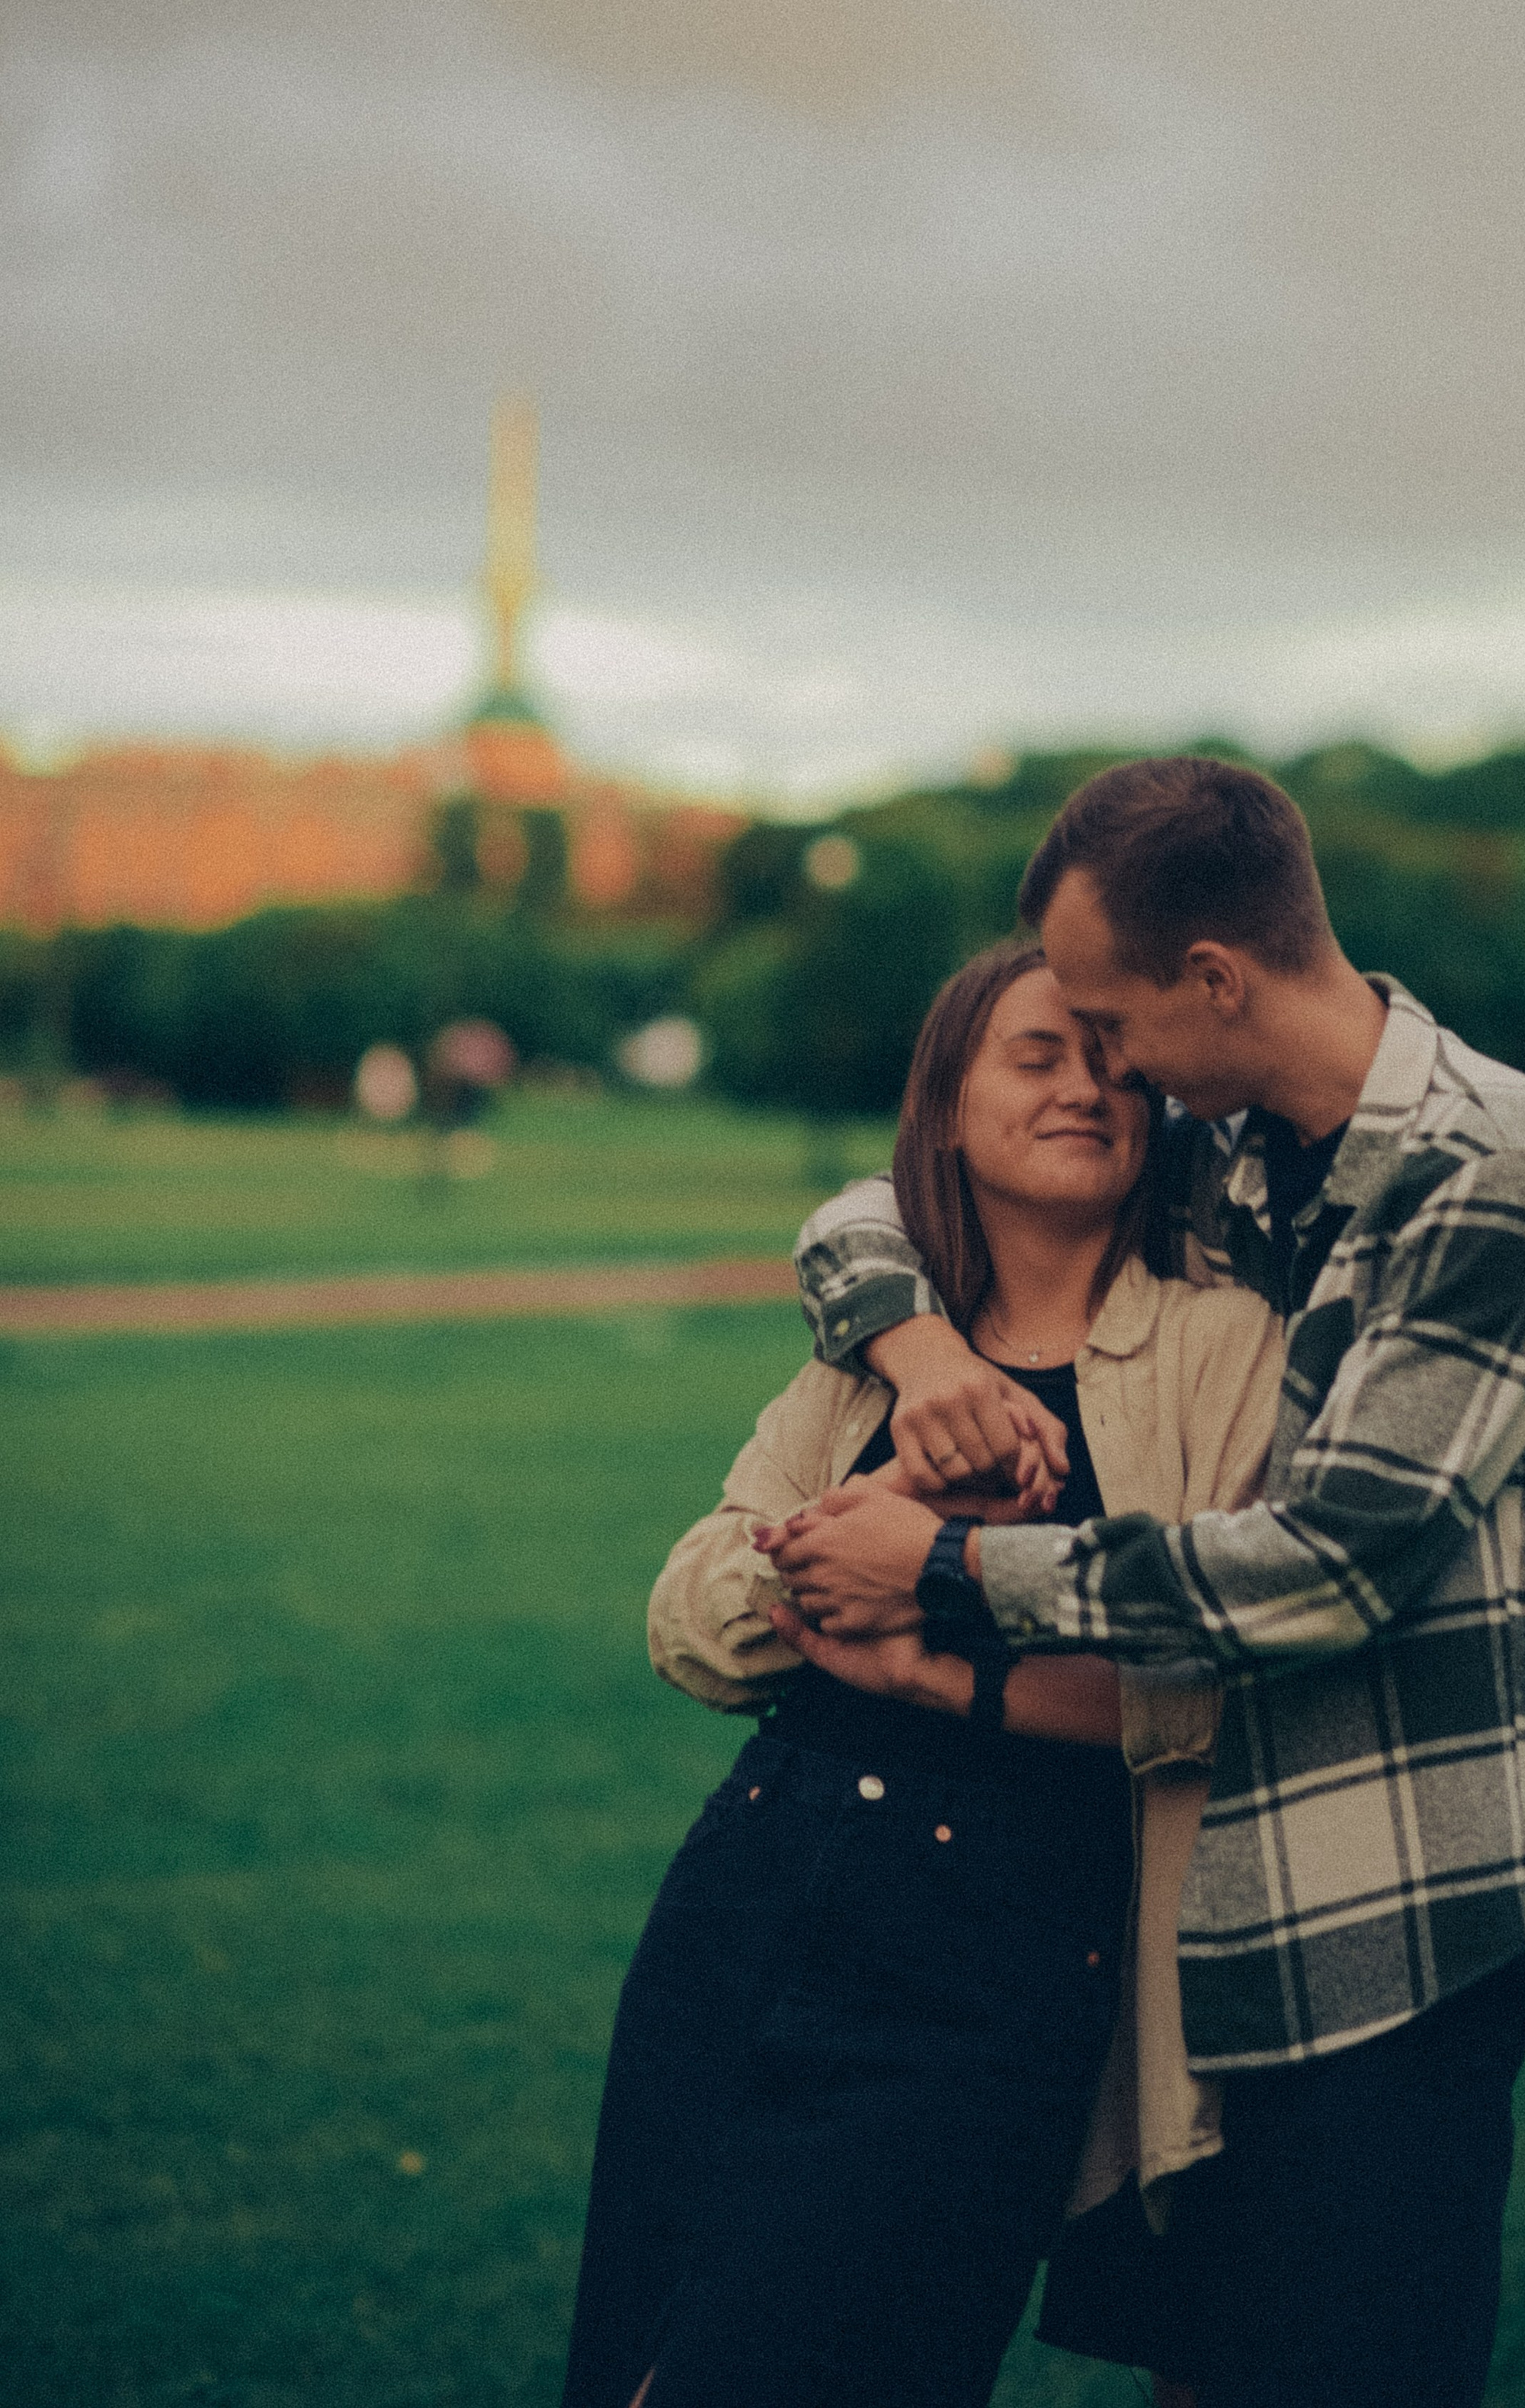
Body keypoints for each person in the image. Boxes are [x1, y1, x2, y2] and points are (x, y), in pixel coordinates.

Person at [771, 755, 1525, 2408]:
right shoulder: (1240, 1151)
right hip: (1202, 1902)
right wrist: (924, 1350)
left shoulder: (1491, 1173)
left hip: (1388, 1925)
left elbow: (1329, 1568)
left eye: (1113, 1025)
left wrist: (948, 1571)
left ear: (1215, 980)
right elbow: (872, 1204)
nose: (1111, 1071)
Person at [559, 937, 1283, 2408]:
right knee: (638, 2361)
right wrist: (889, 1494)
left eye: (1111, 1060)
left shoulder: (1223, 1349)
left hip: (1003, 1956)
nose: (1084, 1086)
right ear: (949, 1109)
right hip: (753, 1893)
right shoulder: (877, 1356)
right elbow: (689, 1623)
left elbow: (1227, 1688)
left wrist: (924, 1646)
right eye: (1036, 1056)